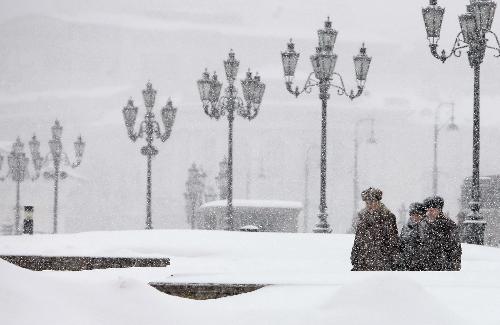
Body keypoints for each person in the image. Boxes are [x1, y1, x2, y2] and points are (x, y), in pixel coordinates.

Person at [351, 187, 400, 271]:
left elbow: (393, 241)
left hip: (382, 264)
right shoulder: (362, 218)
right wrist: (355, 258)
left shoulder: (388, 217)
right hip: (363, 264)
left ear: (378, 201)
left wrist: (392, 261)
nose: (369, 204)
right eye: (367, 202)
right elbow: (358, 240)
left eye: (372, 201)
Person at [419, 196, 462, 271]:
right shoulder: (422, 224)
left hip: (442, 268)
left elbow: (455, 248)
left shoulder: (449, 225)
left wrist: (454, 267)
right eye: (428, 210)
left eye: (432, 210)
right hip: (424, 267)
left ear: (439, 210)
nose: (429, 213)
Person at [399, 202, 426, 271]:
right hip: (408, 265)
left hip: (424, 265)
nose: (415, 217)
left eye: (418, 215)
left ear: (422, 215)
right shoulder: (406, 228)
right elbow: (401, 245)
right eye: (413, 214)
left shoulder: (427, 228)